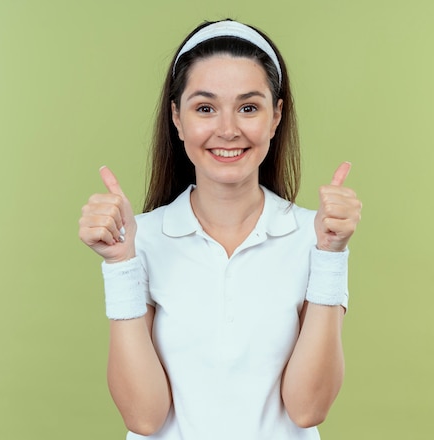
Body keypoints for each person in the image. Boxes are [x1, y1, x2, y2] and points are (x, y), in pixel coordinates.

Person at [78, 19, 362, 440]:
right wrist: (121, 265)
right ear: (177, 118)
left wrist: (331, 254)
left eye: (248, 107)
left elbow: (307, 409)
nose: (228, 129)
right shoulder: (142, 240)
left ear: (275, 116)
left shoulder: (313, 236)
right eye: (205, 108)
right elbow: (144, 417)